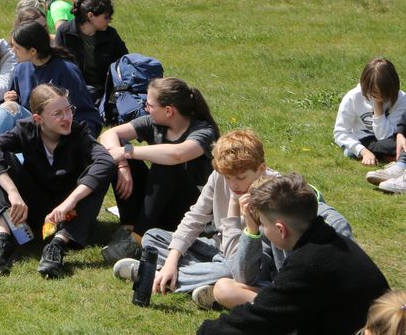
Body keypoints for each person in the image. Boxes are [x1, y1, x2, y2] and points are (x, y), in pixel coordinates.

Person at [113, 128, 347, 309]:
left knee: (230, 272)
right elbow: (195, 217)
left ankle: (154, 276)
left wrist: (235, 210)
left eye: (241, 178)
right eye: (227, 179)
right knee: (154, 236)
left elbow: (243, 263)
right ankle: (182, 275)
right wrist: (173, 259)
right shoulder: (219, 178)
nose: (234, 185)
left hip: (253, 261)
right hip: (217, 248)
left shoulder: (276, 189)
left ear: (261, 169)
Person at [196, 173, 388, 335]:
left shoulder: (310, 262)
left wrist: (207, 330)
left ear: (281, 230)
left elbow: (262, 317)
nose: (263, 229)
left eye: (263, 224)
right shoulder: (329, 241)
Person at [0, 84, 116, 278]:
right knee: (1, 165)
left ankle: (57, 246)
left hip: (67, 212)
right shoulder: (25, 129)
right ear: (38, 119)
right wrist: (13, 193)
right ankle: (2, 240)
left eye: (69, 110)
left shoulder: (80, 134)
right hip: (31, 205)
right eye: (58, 113)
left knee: (97, 175)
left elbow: (106, 161)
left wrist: (70, 202)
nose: (67, 118)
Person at [98, 77, 219, 263]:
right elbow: (109, 134)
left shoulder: (204, 131)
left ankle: (137, 240)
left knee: (163, 162)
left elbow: (177, 154)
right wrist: (122, 164)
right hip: (158, 204)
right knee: (122, 155)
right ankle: (129, 228)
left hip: (190, 213)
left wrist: (126, 151)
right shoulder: (153, 123)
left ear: (169, 111)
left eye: (149, 105)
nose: (146, 108)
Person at [7, 20, 102, 136]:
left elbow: (85, 113)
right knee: (6, 109)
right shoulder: (20, 69)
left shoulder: (66, 71)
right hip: (31, 132)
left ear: (32, 51)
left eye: (16, 47)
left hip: (57, 132)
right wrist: (9, 99)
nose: (12, 51)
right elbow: (18, 105)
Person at [54, 0, 127, 105]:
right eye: (106, 17)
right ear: (90, 16)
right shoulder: (65, 32)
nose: (109, 21)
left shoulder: (110, 34)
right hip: (76, 88)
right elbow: (57, 64)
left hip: (106, 89)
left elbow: (124, 61)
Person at [334, 57, 406, 165]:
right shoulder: (352, 97)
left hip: (389, 140)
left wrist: (378, 107)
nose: (381, 97)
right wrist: (363, 151)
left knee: (397, 143)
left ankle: (360, 153)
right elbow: (341, 132)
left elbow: (385, 136)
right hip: (363, 138)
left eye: (385, 94)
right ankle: (359, 151)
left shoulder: (401, 99)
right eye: (374, 93)